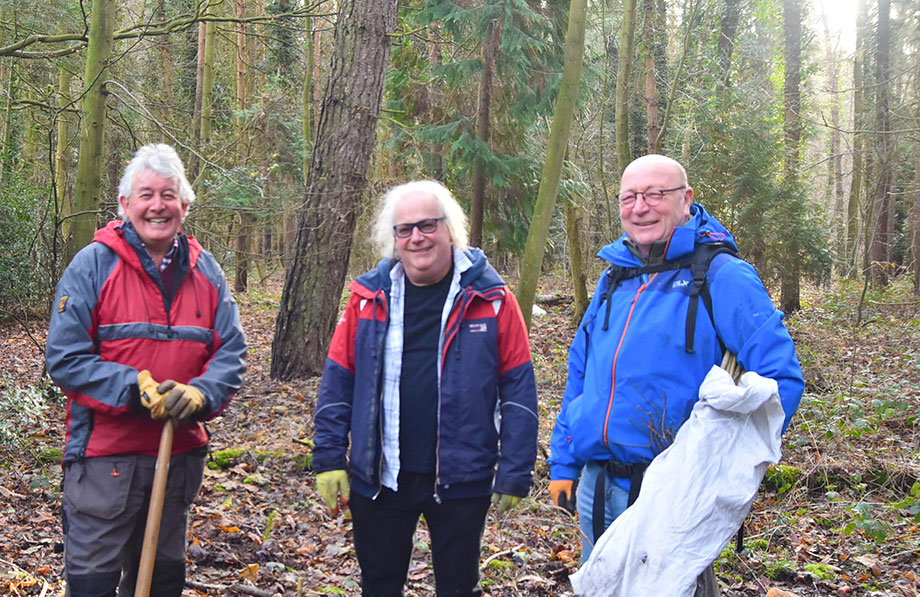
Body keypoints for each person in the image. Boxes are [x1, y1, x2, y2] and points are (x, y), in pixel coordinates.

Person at [548, 154, 804, 564]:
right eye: (629, 196)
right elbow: (581, 374)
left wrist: (727, 469)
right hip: (597, 485)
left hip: (673, 491)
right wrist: (564, 461)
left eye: (654, 194)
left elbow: (781, 379)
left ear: (685, 200)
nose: (640, 206)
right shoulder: (614, 277)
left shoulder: (722, 274)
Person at [312, 180, 538, 596]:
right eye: (404, 229)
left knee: (457, 586)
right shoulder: (367, 298)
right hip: (379, 476)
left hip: (461, 478)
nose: (416, 237)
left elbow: (519, 389)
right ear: (393, 239)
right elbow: (338, 381)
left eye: (428, 225)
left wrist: (515, 470)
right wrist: (328, 457)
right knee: (379, 586)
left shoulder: (492, 299)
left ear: (450, 229)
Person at [45, 143, 247, 596]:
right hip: (103, 463)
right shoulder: (92, 266)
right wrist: (134, 388)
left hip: (176, 459)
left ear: (185, 205)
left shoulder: (207, 272)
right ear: (125, 204)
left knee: (160, 581)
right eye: (146, 195)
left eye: (168, 195)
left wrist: (201, 393)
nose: (157, 206)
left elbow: (231, 351)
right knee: (92, 583)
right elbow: (65, 357)